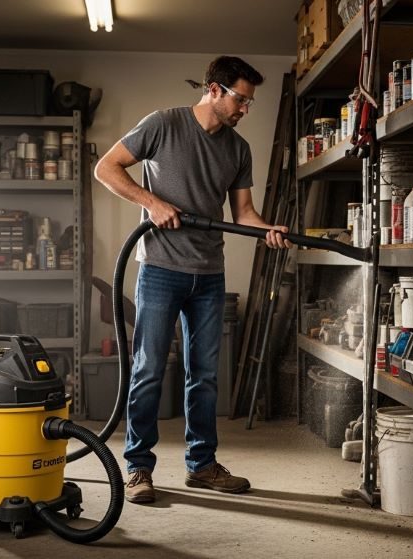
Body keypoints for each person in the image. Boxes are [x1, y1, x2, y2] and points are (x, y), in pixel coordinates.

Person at [94, 56, 290, 504]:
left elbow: (244, 214)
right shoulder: (163, 124)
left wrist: (269, 229)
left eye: (249, 103)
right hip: (161, 270)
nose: (245, 109)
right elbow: (106, 169)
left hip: (209, 275)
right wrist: (152, 202)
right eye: (241, 99)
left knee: (203, 376)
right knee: (147, 371)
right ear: (215, 89)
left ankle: (202, 465)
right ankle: (138, 468)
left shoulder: (238, 149)